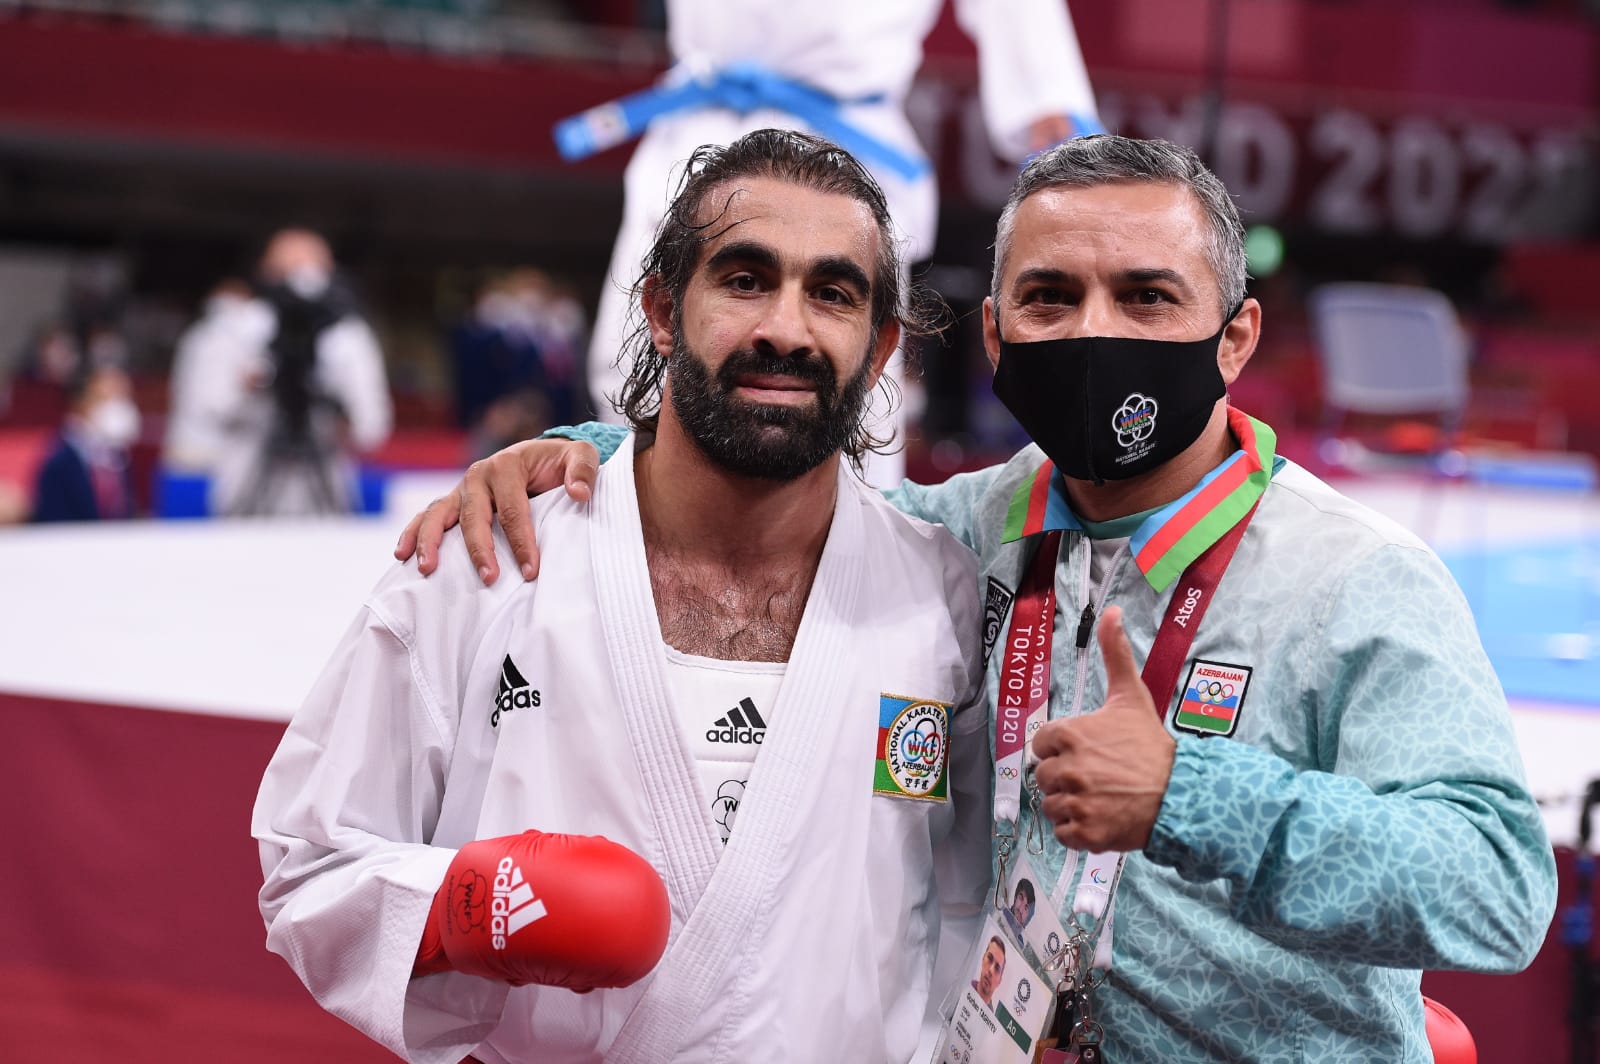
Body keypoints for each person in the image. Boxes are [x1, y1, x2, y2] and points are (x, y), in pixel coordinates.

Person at [399, 133, 1558, 1061]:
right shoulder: (959, 531)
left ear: (1235, 334)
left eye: (1148, 296)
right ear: (996, 337)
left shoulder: (1354, 578)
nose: (1095, 329)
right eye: (1052, 298)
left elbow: (1497, 886)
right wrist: (582, 449)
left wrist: (1192, 794)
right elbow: (767, 478)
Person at [254, 129, 991, 1063]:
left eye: (832, 293)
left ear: (881, 346)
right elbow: (308, 859)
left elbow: (984, 904)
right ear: (660, 309)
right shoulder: (489, 559)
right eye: (744, 278)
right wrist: (466, 911)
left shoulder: (945, 597)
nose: (785, 329)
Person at [557, 0, 1102, 487]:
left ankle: (845, 580)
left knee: (845, 401)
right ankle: (634, 539)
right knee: (633, 369)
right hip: (694, 130)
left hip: (843, 140)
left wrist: (1050, 119)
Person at [164, 229, 392, 516]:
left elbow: (372, 425)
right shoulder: (234, 329)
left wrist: (340, 414)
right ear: (266, 271)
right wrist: (249, 389)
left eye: (313, 268)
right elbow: (203, 409)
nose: (302, 281)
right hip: (246, 489)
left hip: (325, 498)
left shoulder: (349, 336)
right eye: (290, 269)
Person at [31, 362, 140, 522]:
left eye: (123, 398)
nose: (119, 407)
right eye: (109, 399)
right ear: (81, 402)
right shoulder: (57, 461)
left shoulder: (118, 458)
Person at [971, 935, 1006, 1009]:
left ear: (999, 981)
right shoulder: (963, 987)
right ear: (983, 958)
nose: (991, 970)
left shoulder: (991, 1019)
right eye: (989, 958)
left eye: (997, 968)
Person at [1001, 877, 1034, 942]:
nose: (1021, 909)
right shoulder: (1000, 912)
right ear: (1015, 898)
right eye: (1021, 898)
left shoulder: (1020, 944)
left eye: (1026, 908)